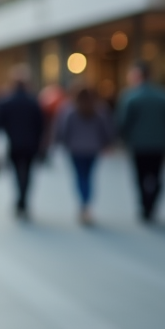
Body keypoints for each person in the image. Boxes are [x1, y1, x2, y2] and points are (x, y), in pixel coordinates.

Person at [117, 62, 165, 223]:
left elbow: (123, 121)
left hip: (138, 144)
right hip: (160, 143)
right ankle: (150, 203)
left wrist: (122, 138)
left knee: (140, 176)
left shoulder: (131, 96)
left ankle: (145, 204)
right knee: (157, 175)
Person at [0, 66, 45, 219]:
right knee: (28, 173)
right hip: (31, 144)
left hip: (13, 144)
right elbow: (41, 124)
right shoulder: (33, 101)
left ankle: (20, 200)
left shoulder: (6, 101)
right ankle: (23, 200)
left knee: (18, 173)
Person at [54, 86, 114, 225]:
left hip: (75, 148)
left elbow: (63, 128)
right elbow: (107, 129)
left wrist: (60, 142)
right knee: (88, 176)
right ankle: (86, 204)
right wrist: (108, 142)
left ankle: (84, 204)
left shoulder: (69, 109)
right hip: (93, 148)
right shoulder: (99, 109)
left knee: (80, 176)